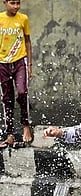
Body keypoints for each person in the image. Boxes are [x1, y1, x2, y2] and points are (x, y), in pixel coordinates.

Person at [0, 0, 33, 147]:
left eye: (18, 3)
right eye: (12, 3)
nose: (16, 6)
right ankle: (10, 133)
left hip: (20, 61)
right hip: (2, 63)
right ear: (4, 2)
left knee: (21, 92)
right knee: (7, 97)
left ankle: (26, 125)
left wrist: (30, 64)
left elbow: (27, 41)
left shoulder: (23, 19)